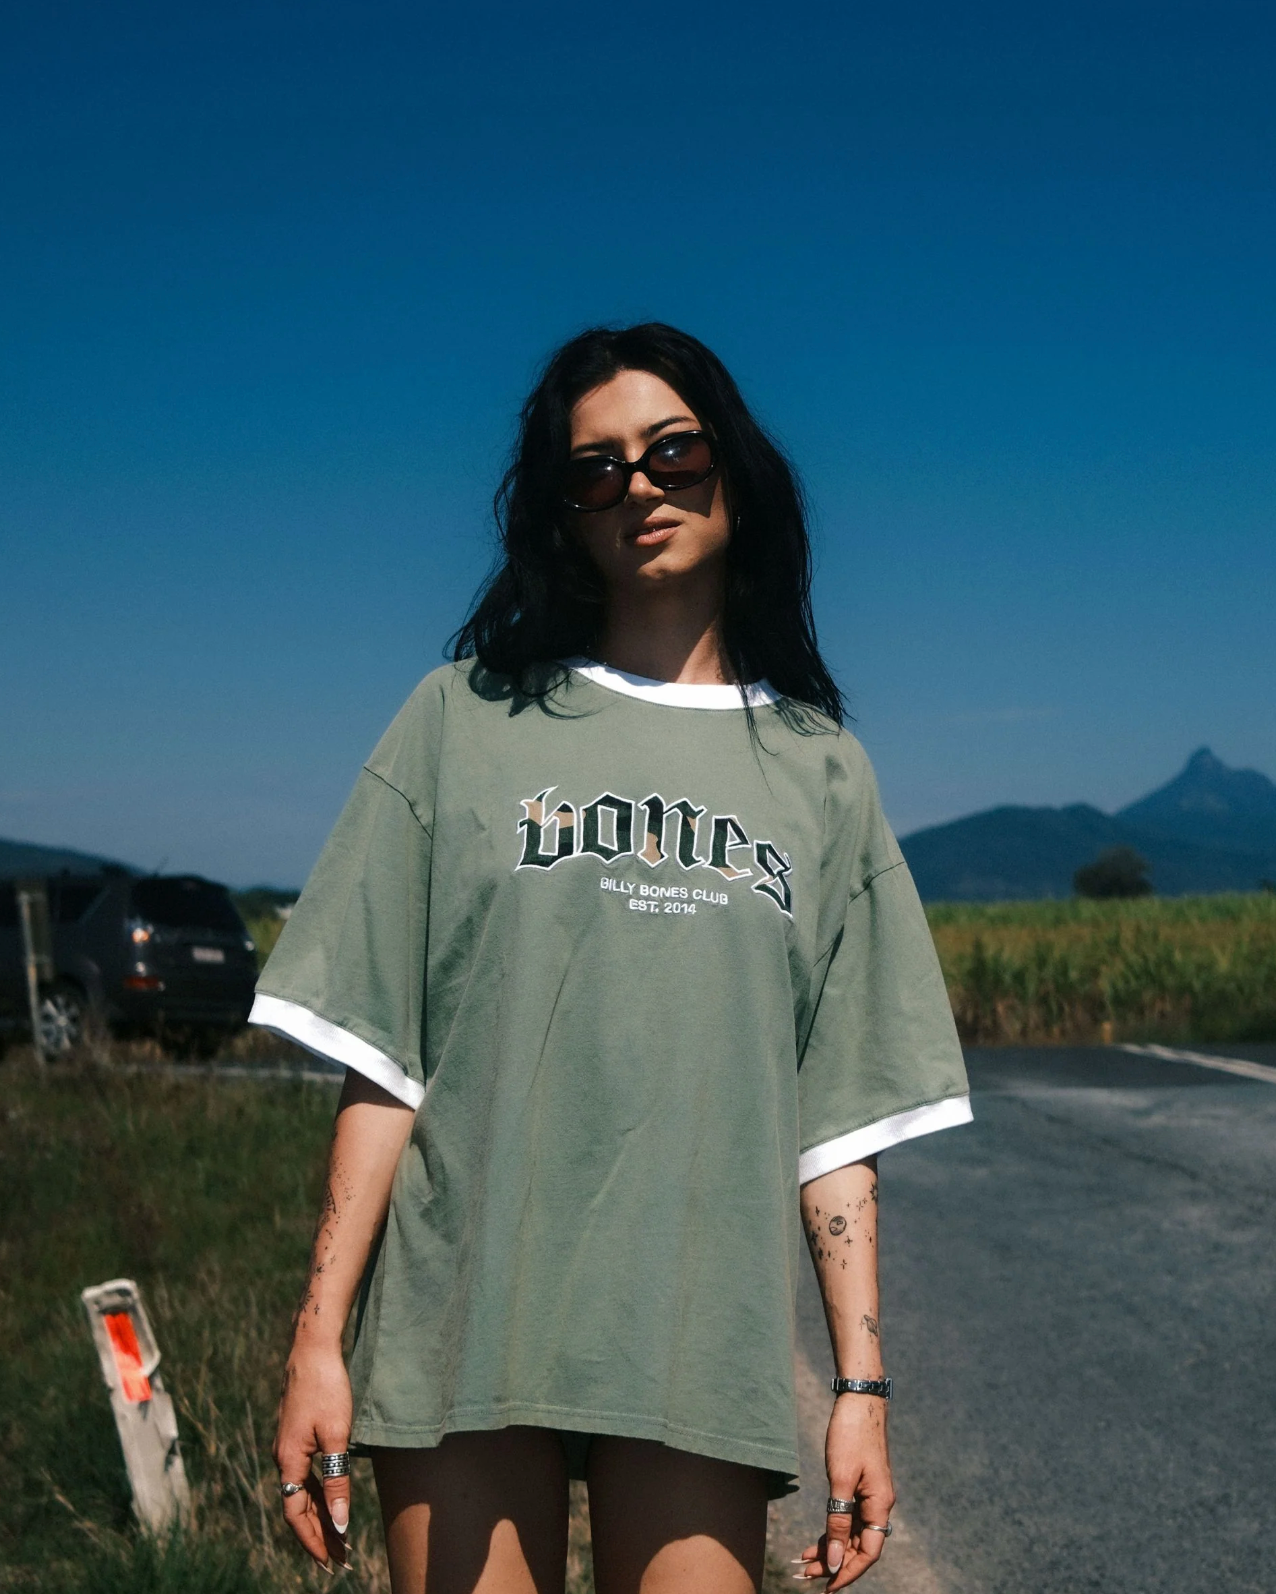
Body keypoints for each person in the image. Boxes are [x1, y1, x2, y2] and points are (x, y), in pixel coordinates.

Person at [252, 323, 971, 1593]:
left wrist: (861, 1387)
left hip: (700, 1332)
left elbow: (835, 1123)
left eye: (672, 451)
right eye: (594, 471)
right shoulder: (459, 719)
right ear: (562, 514)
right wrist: (320, 1338)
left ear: (734, 473)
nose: (638, 486)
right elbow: (384, 1067)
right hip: (463, 1320)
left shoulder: (819, 768)